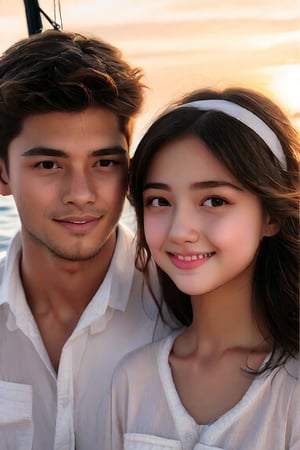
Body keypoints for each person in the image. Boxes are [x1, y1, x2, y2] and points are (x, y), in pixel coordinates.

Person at [0, 30, 172, 450]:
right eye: (48, 163)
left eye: (105, 162)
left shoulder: (185, 314)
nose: (81, 193)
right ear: (3, 173)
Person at [108, 87, 300, 449]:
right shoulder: (133, 380)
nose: (180, 230)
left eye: (214, 200)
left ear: (270, 215)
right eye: (159, 201)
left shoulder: (292, 387)